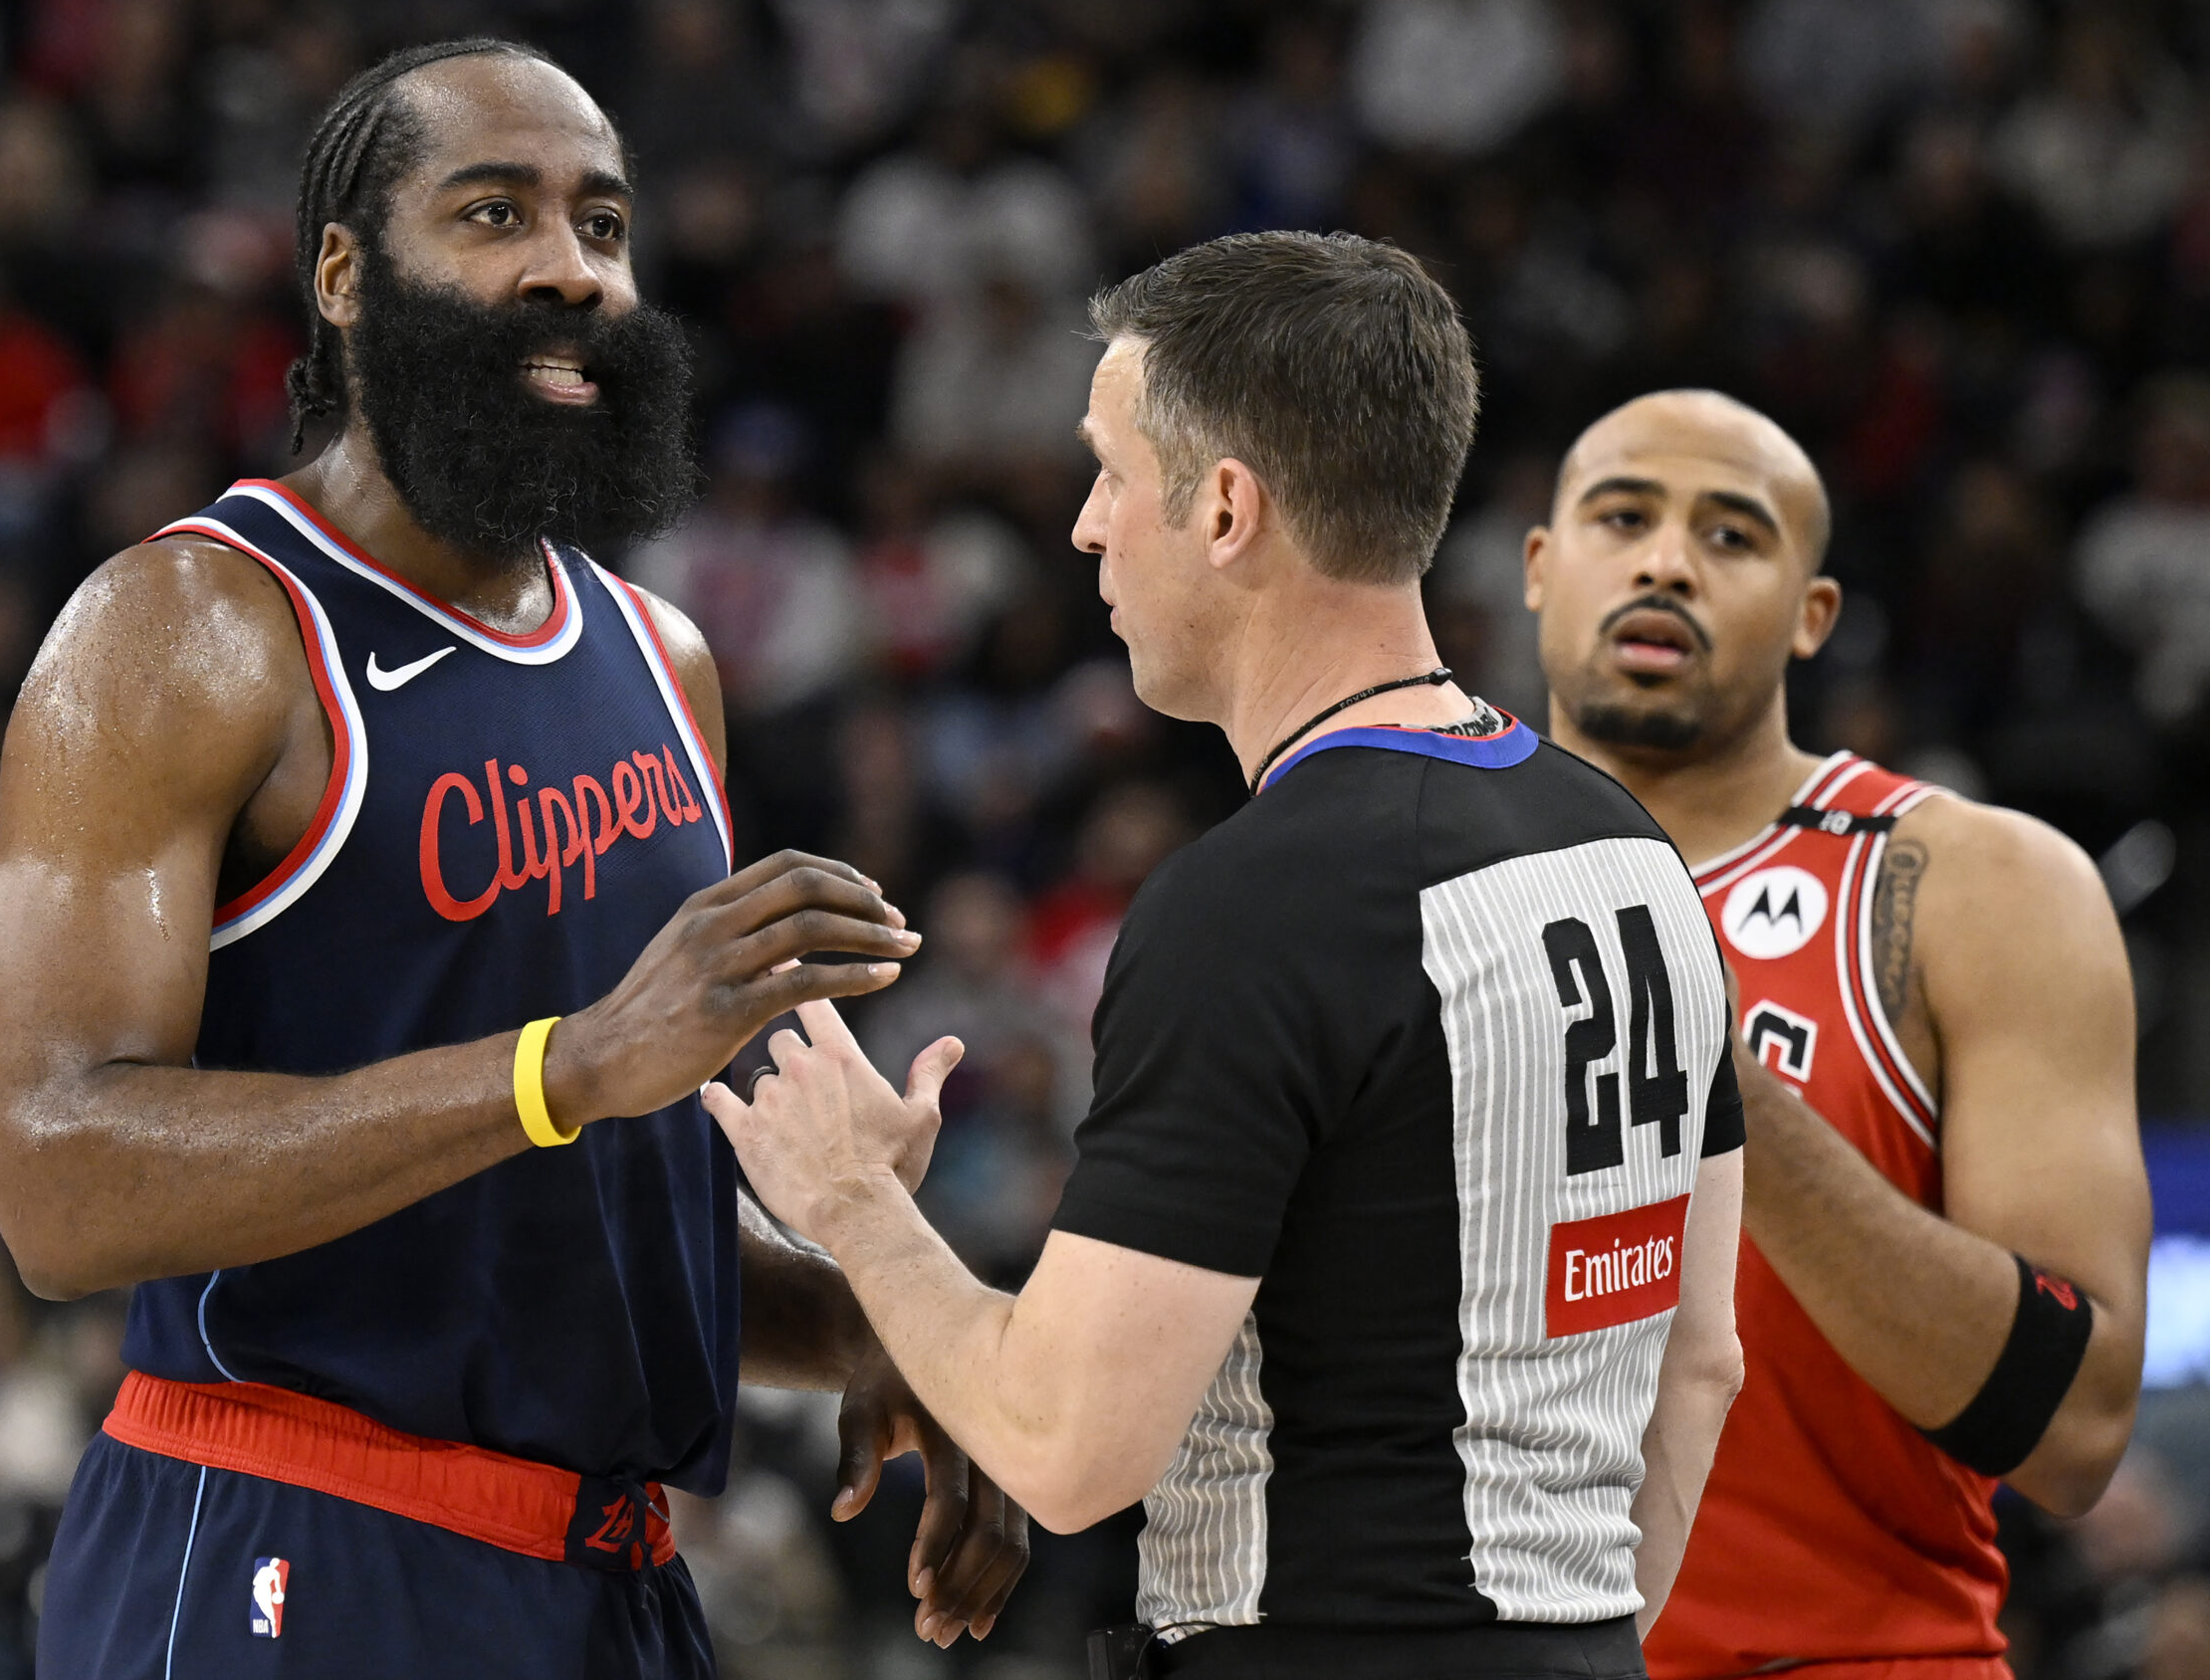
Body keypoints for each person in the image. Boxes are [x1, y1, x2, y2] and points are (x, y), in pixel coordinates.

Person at [0, 40, 1026, 1679]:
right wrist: (571, 1063)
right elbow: (56, 1178)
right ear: (343, 275)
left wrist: (877, 1319)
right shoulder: (192, 629)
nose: (568, 268)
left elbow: (573, 1217)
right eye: (492, 213)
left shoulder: (664, 660)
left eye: (603, 225)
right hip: (280, 1544)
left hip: (607, 1581)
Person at [707, 231, 1749, 1679]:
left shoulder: (1263, 904)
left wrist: (852, 1205)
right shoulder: (1632, 851)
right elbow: (1700, 1365)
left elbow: (1071, 1453)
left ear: (1226, 513)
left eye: (1112, 474)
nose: (1084, 526)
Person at [1521, 389, 2151, 1680]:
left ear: (1813, 616)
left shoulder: (1981, 885)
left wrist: (1711, 1070)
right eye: (1623, 515)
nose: (1665, 560)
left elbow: (2079, 1429)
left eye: (1733, 535)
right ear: (1539, 569)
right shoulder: (1394, 882)